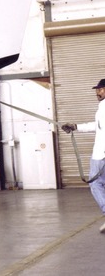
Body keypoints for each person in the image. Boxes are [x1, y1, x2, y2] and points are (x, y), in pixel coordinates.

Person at [63, 78, 105, 233]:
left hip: (101, 155)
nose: (97, 92)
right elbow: (98, 126)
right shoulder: (102, 108)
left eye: (101, 89)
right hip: (101, 154)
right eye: (97, 89)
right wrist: (76, 127)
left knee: (95, 184)